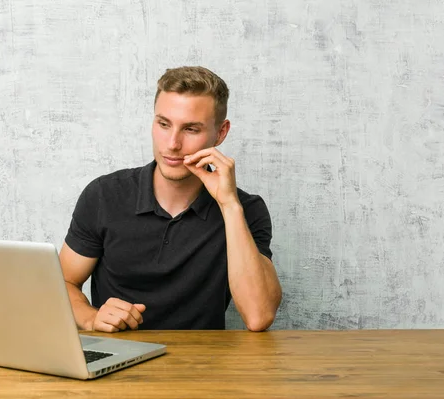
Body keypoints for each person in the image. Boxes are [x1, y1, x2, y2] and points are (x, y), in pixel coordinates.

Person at [60, 66, 282, 332]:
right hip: (118, 363)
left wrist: (229, 205)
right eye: (164, 124)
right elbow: (63, 282)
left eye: (190, 129)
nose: (172, 144)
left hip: (204, 366)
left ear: (220, 133)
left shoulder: (246, 209)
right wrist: (90, 318)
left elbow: (259, 316)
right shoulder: (104, 196)